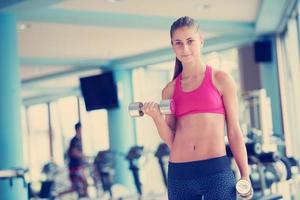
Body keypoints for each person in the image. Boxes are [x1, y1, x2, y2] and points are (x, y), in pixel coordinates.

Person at [143, 16, 251, 199]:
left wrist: (245, 174)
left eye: (190, 41)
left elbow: (234, 131)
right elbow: (172, 140)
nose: (185, 48)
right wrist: (156, 118)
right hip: (180, 174)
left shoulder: (221, 80)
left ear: (201, 41)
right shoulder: (169, 90)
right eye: (178, 43)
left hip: (216, 172)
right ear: (172, 46)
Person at [67, 122, 89, 198]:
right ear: (78, 129)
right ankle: (56, 194)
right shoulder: (74, 141)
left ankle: (83, 196)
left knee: (79, 186)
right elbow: (73, 153)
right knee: (81, 186)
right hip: (75, 167)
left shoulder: (78, 140)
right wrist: (82, 155)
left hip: (78, 167)